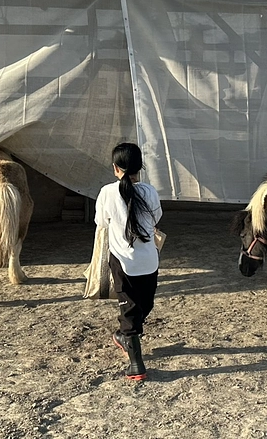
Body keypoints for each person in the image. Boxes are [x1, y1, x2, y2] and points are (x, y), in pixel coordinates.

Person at [94, 142, 163, 381]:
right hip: (149, 258)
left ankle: (127, 337)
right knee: (141, 304)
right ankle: (136, 363)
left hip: (122, 260)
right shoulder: (149, 192)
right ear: (139, 168)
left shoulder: (107, 192)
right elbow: (157, 218)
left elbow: (101, 222)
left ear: (115, 168)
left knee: (133, 306)